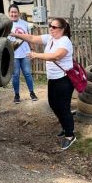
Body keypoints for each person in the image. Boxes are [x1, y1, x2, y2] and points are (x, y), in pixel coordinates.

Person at [10, 18, 76, 150]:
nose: (50, 28)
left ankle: (70, 135)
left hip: (64, 80)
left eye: (54, 27)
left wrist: (36, 55)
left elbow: (56, 56)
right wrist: (15, 34)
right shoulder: (50, 38)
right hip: (53, 79)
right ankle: (65, 125)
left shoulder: (65, 41)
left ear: (62, 29)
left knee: (63, 107)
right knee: (53, 104)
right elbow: (32, 38)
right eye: (50, 26)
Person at [7, 4, 38, 104]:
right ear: (9, 13)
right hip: (13, 55)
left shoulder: (25, 24)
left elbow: (29, 38)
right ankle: (16, 95)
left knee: (28, 74)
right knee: (15, 75)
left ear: (18, 13)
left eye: (15, 12)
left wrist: (32, 49)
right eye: (11, 12)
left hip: (25, 53)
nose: (13, 14)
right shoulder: (6, 25)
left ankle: (32, 93)